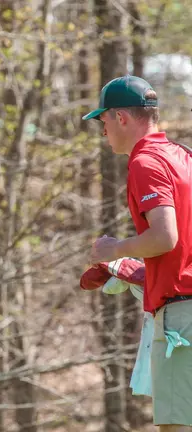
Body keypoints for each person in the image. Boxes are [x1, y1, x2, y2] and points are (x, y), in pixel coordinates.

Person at [84, 75, 192, 431]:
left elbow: (165, 237)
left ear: (121, 118)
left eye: (103, 123)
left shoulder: (144, 163)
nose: (104, 133)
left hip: (182, 317)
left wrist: (115, 249)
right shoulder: (183, 155)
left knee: (176, 426)